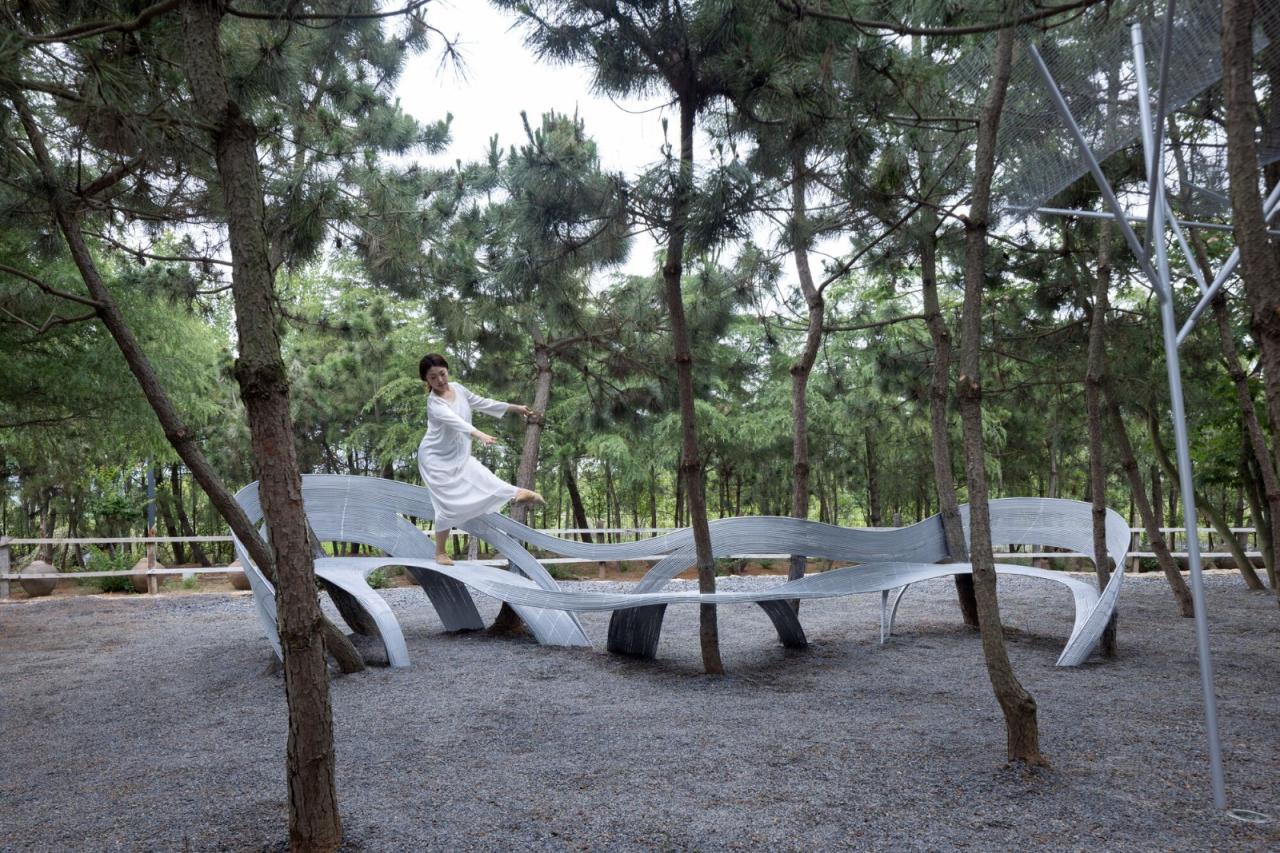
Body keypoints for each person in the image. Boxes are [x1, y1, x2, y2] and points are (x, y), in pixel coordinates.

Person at [416, 353, 544, 565]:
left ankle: (517, 493)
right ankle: (440, 552)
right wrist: (479, 434)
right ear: (426, 380)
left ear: (447, 370)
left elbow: (482, 402)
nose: (440, 380)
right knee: (446, 505)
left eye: (442, 374)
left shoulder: (458, 389)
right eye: (433, 377)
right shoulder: (434, 404)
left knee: (481, 474)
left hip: (458, 454)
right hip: (435, 459)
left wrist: (515, 408)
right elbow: (456, 422)